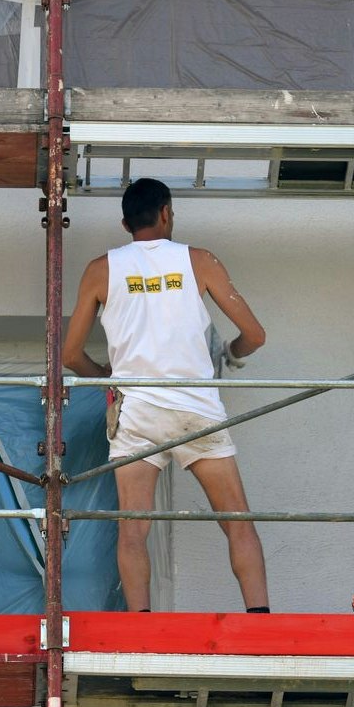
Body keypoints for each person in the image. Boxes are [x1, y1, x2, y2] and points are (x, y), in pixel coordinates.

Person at [62, 178, 271, 613]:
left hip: (137, 412)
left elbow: (69, 354)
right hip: (197, 408)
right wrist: (230, 355)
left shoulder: (101, 269)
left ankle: (139, 627)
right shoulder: (199, 261)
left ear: (125, 223)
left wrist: (106, 375)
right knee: (238, 523)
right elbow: (254, 335)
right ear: (167, 213)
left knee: (133, 530)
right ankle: (260, 620)